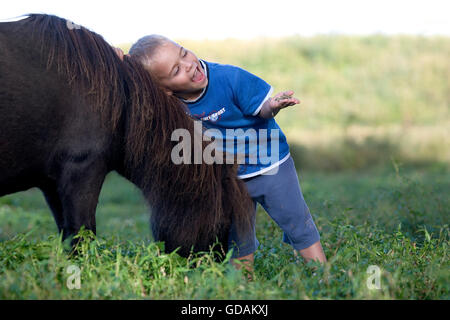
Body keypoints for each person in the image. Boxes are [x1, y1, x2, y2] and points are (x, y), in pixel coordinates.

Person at [113, 36, 327, 276]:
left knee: (296, 220)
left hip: (271, 165)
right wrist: (123, 64)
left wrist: (274, 105)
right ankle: (242, 285)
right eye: (176, 70)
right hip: (231, 178)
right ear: (165, 89)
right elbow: (139, 94)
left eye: (183, 53)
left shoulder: (229, 78)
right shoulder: (171, 103)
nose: (188, 65)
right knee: (238, 238)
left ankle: (323, 275)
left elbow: (263, 109)